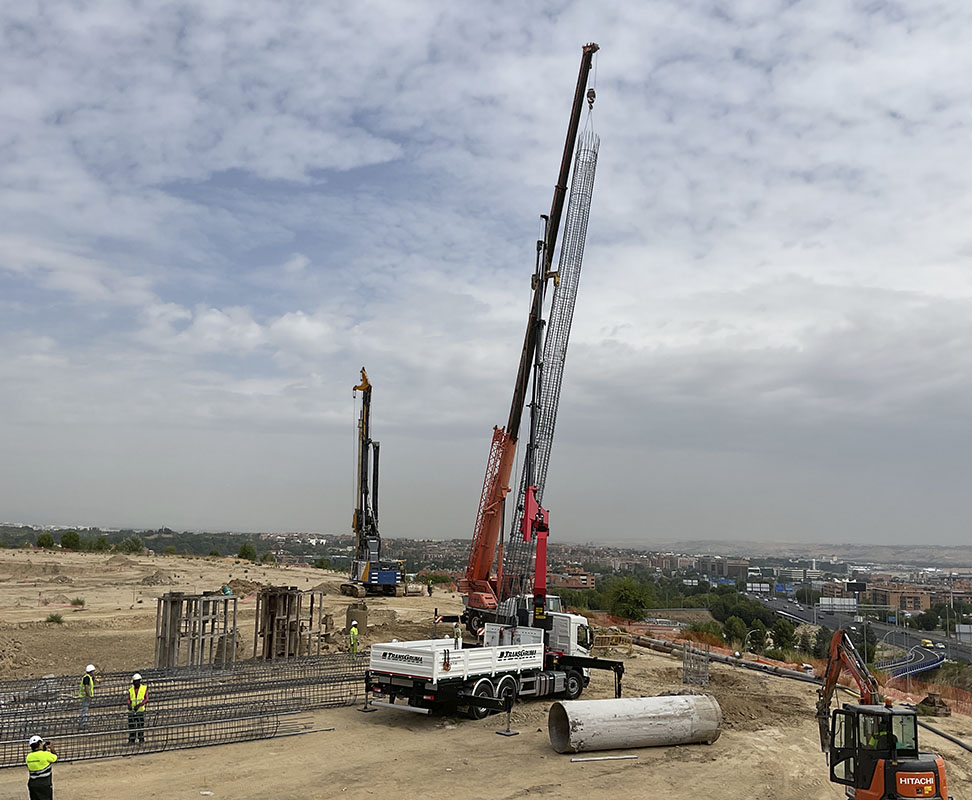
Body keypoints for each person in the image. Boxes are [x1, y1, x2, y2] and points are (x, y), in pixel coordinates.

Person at [25, 735, 57, 800]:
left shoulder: (28, 757)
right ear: (40, 743)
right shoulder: (46, 754)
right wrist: (52, 748)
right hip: (44, 784)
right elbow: (55, 757)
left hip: (32, 784)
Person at [127, 673, 147, 745]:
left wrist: (139, 705)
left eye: (137, 681)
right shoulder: (131, 690)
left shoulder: (144, 688)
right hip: (131, 711)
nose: (136, 683)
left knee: (140, 726)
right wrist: (129, 704)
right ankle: (131, 740)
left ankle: (141, 739)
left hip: (140, 710)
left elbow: (146, 698)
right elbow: (129, 698)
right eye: (135, 681)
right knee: (132, 726)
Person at [78, 664, 96, 730]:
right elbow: (86, 687)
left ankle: (82, 723)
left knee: (85, 710)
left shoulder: (88, 677)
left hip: (85, 697)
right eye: (93, 671)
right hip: (85, 697)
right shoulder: (87, 678)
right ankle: (81, 724)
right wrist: (88, 696)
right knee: (84, 710)